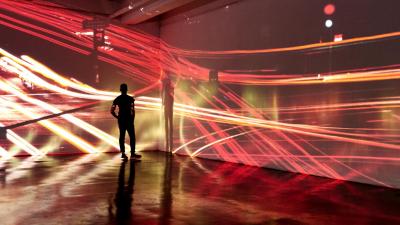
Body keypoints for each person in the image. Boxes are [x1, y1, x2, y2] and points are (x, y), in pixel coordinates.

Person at [111, 83, 141, 160]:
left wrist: (118, 117)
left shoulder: (117, 99)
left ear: (120, 90)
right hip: (129, 120)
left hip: (122, 120)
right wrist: (132, 119)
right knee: (132, 137)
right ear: (127, 90)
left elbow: (112, 111)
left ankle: (123, 153)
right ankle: (132, 153)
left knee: (122, 136)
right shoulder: (130, 99)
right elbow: (133, 111)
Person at [161, 74, 174, 153]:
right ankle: (167, 135)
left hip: (169, 107)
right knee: (167, 121)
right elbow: (163, 97)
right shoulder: (165, 89)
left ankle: (170, 135)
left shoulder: (171, 89)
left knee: (169, 121)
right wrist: (163, 103)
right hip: (167, 107)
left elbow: (172, 97)